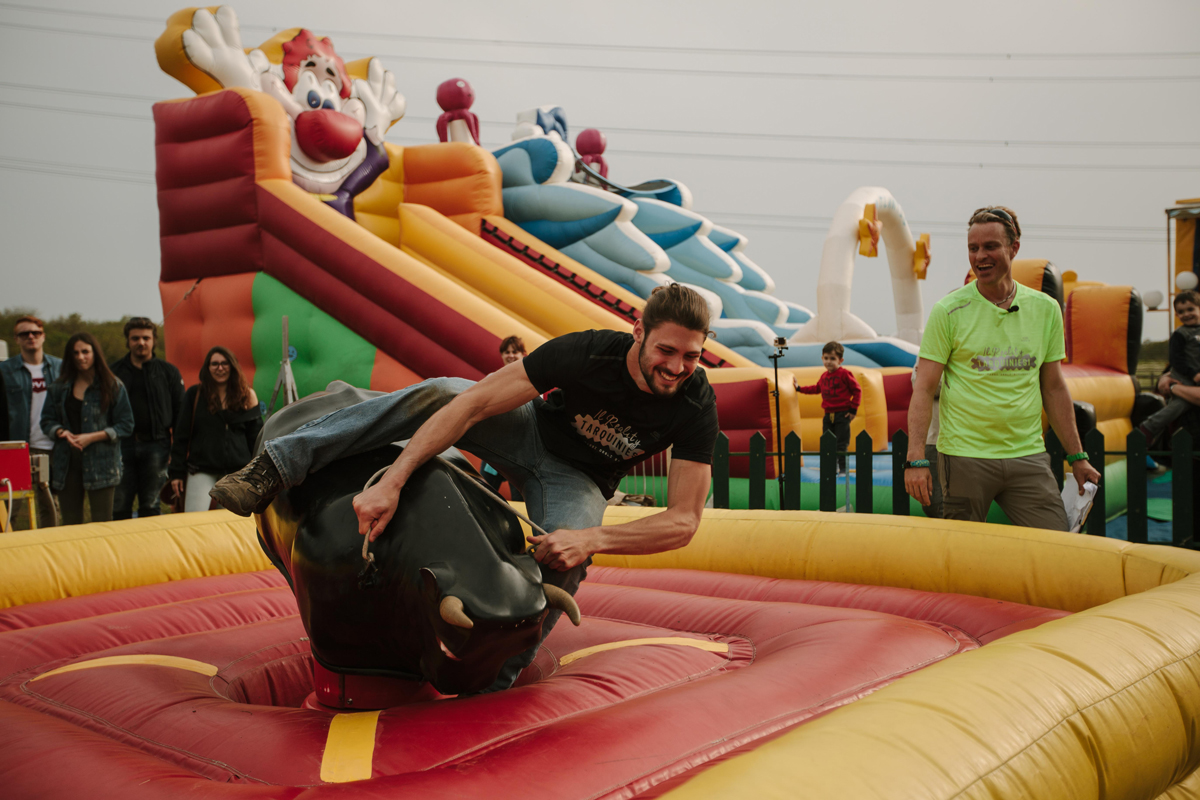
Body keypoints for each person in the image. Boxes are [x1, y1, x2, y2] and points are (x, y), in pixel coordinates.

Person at [211, 283, 718, 692]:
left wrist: (591, 540)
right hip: (531, 433)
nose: (675, 368)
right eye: (665, 351)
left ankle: (493, 678)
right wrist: (393, 480)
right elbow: (471, 405)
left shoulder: (695, 404)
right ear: (638, 333)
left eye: (691, 356)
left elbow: (683, 522)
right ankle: (276, 464)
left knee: (565, 560)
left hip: (580, 479)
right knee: (443, 390)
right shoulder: (587, 352)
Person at [905, 206, 1101, 530]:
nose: (980, 256)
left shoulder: (1046, 309)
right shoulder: (949, 310)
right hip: (964, 456)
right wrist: (915, 459)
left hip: (1028, 454)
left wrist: (1077, 456)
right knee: (962, 554)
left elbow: (1053, 386)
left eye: (990, 246)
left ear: (1014, 247)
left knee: (1055, 544)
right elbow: (923, 388)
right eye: (973, 248)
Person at [40, 333, 134, 524]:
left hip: (103, 463)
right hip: (67, 462)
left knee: (102, 523)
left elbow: (126, 424)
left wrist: (92, 437)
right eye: (75, 353)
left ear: (95, 353)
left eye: (85, 352)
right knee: (71, 523)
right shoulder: (59, 387)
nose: (81, 357)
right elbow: (46, 421)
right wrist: (61, 432)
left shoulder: (113, 385)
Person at [168, 347, 262, 513]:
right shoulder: (194, 395)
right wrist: (176, 473)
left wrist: (257, 473)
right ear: (207, 367)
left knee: (231, 524)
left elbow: (255, 437)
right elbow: (181, 435)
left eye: (225, 363)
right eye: (215, 364)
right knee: (194, 520)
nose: (220, 368)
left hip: (238, 471)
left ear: (233, 366)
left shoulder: (247, 395)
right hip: (201, 468)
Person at [111, 317, 185, 519]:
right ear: (128, 341)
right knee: (119, 503)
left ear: (153, 341)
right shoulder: (113, 373)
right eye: (135, 338)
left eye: (146, 338)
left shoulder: (168, 372)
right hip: (120, 446)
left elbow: (181, 415)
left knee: (151, 504)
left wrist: (176, 452)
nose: (141, 342)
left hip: (157, 446)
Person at [2, 316, 63, 527]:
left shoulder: (60, 367)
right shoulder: (5, 370)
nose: (30, 337)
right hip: (17, 446)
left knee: (51, 504)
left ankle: (51, 548)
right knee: (11, 503)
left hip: (54, 445)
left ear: (43, 336)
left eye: (35, 333)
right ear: (16, 339)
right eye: (24, 333)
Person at [1138, 291, 1200, 446]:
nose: (1186, 314)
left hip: (1194, 377)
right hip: (1186, 376)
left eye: (1190, 309)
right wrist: (1193, 375)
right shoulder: (1180, 334)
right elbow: (1176, 360)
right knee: (1181, 404)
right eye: (1181, 312)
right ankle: (1150, 427)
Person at [796, 342, 861, 473]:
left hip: (842, 414)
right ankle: (831, 468)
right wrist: (799, 388)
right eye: (826, 358)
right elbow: (816, 388)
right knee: (827, 443)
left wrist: (853, 409)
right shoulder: (824, 376)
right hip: (828, 415)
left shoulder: (845, 374)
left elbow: (857, 390)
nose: (829, 362)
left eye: (832, 359)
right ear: (822, 359)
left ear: (840, 360)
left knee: (841, 444)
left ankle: (843, 469)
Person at [483, 335, 529, 499]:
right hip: (495, 449)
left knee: (521, 500)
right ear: (502, 355)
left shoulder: (531, 381)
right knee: (485, 495)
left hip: (519, 455)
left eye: (514, 352)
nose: (510, 355)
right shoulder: (492, 379)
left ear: (523, 354)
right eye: (507, 352)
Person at [911, 362, 943, 518]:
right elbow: (919, 383)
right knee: (934, 504)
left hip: (965, 440)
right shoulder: (931, 346)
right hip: (934, 439)